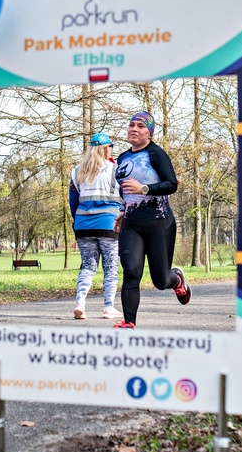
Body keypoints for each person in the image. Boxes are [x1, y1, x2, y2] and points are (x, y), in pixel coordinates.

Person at [112, 111, 189, 330]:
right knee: (131, 272)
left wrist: (144, 189)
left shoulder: (156, 154)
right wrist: (122, 210)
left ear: (150, 132)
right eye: (131, 125)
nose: (134, 129)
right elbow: (126, 189)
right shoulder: (123, 157)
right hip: (132, 224)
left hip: (159, 223)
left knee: (160, 281)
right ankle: (129, 322)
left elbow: (171, 184)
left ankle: (177, 279)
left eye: (141, 126)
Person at [69, 133, 123, 320]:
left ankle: (80, 304)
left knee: (88, 266)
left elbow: (73, 201)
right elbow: (126, 196)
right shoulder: (116, 169)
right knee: (110, 267)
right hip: (109, 224)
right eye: (111, 146)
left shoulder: (77, 171)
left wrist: (77, 222)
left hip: (84, 224)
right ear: (106, 148)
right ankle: (108, 307)